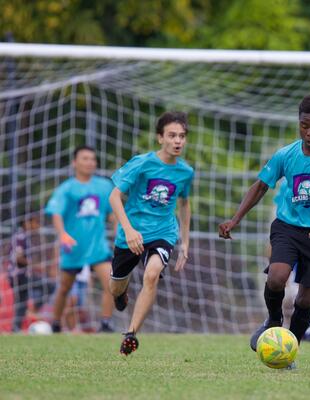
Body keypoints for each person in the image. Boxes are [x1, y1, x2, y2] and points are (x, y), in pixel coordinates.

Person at [219, 94, 310, 369]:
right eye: (305, 125)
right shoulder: (285, 154)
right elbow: (261, 186)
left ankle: (290, 350)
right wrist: (235, 219)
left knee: (306, 298)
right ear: (298, 123)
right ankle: (273, 320)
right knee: (276, 278)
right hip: (287, 228)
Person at [109, 111, 194, 356]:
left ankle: (131, 334)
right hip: (131, 232)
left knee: (152, 273)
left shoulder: (186, 172)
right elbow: (114, 196)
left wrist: (185, 242)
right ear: (160, 138)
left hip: (163, 232)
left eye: (182, 136)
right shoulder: (142, 163)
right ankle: (121, 293)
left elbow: (185, 204)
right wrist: (128, 229)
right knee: (114, 288)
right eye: (172, 135)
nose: (178, 141)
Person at [45, 146, 116, 333]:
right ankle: (55, 323)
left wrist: (120, 232)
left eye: (92, 159)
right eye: (85, 158)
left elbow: (113, 213)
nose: (90, 162)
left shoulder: (104, 186)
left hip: (97, 247)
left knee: (111, 281)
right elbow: (56, 214)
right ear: (74, 162)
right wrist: (62, 234)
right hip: (73, 248)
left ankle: (106, 323)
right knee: (64, 288)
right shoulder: (66, 189)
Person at [6, 213, 41, 332]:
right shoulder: (20, 237)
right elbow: (17, 258)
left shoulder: (24, 236)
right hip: (18, 275)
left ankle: (15, 328)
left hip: (19, 275)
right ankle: (34, 309)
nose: (38, 225)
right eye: (36, 222)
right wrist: (33, 264)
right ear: (26, 223)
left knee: (21, 302)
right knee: (50, 286)